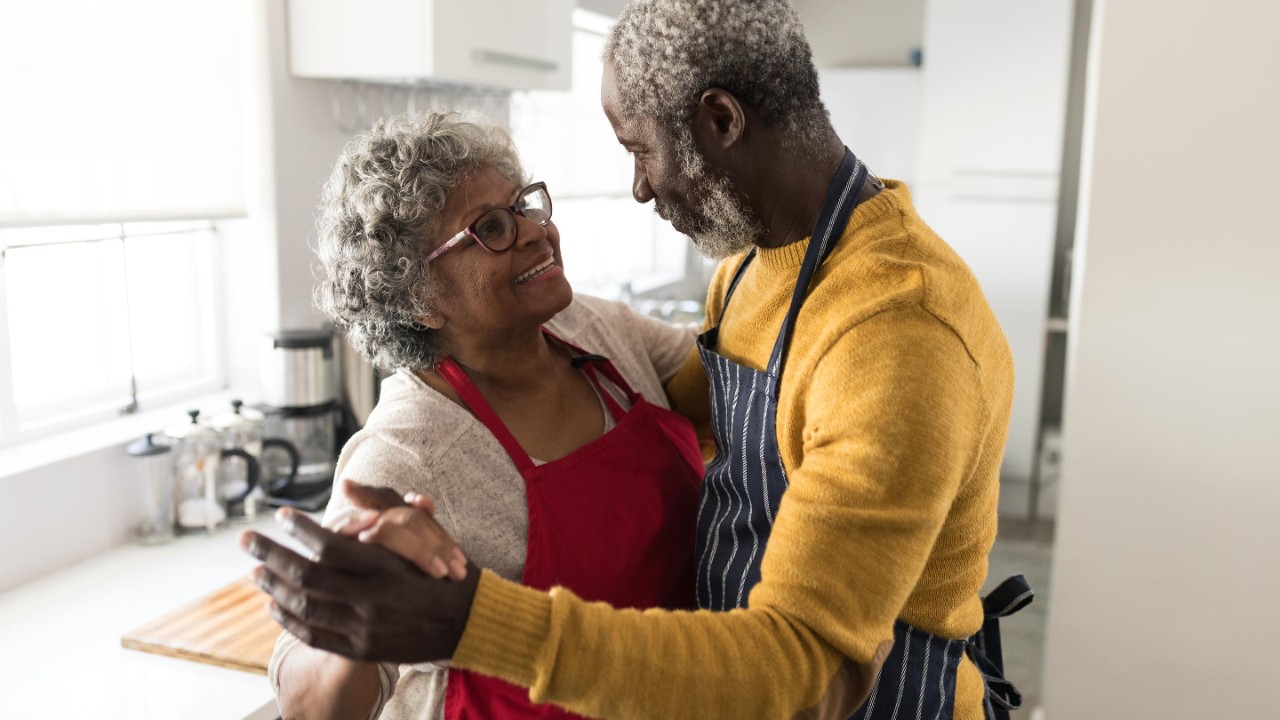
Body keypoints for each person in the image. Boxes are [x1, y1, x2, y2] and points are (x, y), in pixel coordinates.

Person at [245, 1, 1033, 718]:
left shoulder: (896, 334)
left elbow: (804, 668)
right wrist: (343, 593)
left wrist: (473, 621)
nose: (640, 189)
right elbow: (312, 683)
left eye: (638, 148)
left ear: (720, 120)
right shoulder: (756, 270)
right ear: (418, 296)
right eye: (490, 227)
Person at [260, 112, 706, 719]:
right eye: (489, 228)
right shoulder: (405, 455)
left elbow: (729, 376)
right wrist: (347, 629)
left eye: (524, 205)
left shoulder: (595, 329)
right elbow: (305, 704)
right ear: (418, 300)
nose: (533, 232)